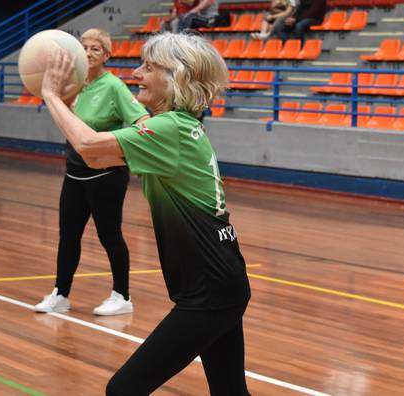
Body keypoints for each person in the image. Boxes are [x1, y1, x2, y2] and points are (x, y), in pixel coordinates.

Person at [41, 32, 251, 395]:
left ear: (176, 77)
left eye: (149, 66)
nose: (137, 72)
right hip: (222, 280)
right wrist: (69, 100)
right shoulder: (179, 126)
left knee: (123, 389)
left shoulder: (170, 129)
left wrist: (49, 95)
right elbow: (100, 147)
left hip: (210, 289)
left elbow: (91, 148)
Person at [33, 28, 149, 316]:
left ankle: (122, 296)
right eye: (84, 47)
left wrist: (113, 147)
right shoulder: (75, 85)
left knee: (110, 235)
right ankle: (61, 293)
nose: (87, 53)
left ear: (107, 56)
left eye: (95, 49)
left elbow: (142, 122)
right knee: (68, 235)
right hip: (74, 172)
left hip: (106, 175)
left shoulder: (114, 87)